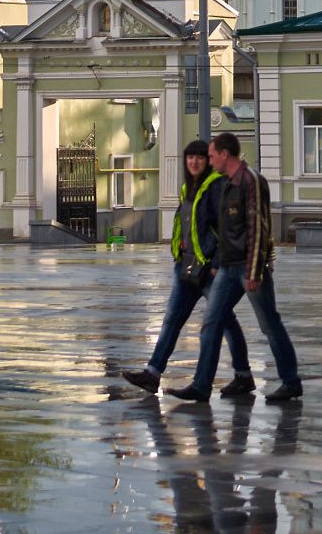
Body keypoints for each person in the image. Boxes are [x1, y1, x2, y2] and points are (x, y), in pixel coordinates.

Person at [172, 133, 302, 406]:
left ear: (225, 154)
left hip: (249, 268)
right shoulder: (229, 184)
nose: (208, 160)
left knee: (269, 324)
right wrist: (218, 264)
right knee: (211, 322)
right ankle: (201, 386)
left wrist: (254, 271)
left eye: (210, 155)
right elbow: (226, 231)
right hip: (228, 269)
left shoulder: (250, 180)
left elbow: (257, 228)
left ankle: (291, 382)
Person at [121, 140, 254, 397]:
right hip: (187, 266)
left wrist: (216, 264)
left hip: (208, 270)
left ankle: (243, 375)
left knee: (225, 321)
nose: (194, 162)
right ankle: (153, 373)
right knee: (172, 319)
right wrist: (179, 253)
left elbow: (229, 229)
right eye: (190, 157)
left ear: (208, 160)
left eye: (200, 158)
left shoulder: (216, 187)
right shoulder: (189, 188)